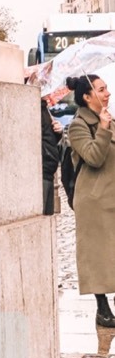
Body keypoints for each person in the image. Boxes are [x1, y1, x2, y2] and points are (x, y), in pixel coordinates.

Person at [66, 74, 115, 327]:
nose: (107, 93)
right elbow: (94, 157)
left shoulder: (108, 119)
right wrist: (104, 130)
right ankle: (102, 308)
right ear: (87, 97)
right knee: (98, 255)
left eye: (106, 89)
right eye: (101, 89)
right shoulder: (78, 125)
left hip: (111, 195)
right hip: (94, 200)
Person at [41, 98, 63, 215]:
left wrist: (56, 132)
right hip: (42, 170)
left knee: (48, 217)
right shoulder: (36, 107)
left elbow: (48, 139)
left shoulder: (44, 108)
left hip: (49, 170)